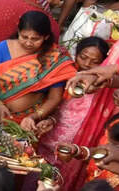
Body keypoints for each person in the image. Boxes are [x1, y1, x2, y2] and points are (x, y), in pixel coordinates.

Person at [0, 10, 76, 133]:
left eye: (35, 39)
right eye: (24, 37)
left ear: (46, 37)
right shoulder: (4, 47)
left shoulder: (54, 58)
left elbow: (54, 98)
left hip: (26, 123)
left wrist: (33, 117)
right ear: (18, 32)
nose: (29, 43)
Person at [43, 36, 109, 175]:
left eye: (94, 62)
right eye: (83, 57)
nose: (86, 63)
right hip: (49, 134)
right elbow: (54, 104)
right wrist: (50, 119)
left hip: (77, 145)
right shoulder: (64, 74)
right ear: (76, 54)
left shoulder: (104, 88)